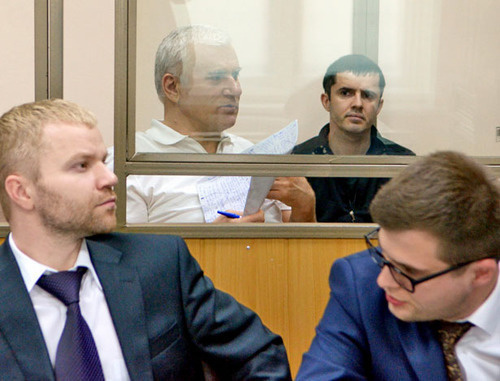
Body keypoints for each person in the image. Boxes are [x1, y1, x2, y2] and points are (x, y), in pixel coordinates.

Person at [0, 99, 292, 380]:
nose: (110, 178)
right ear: (22, 192)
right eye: (82, 166)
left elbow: (262, 355)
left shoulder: (159, 265)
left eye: (103, 161)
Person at [296, 151, 500, 380]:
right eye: (383, 254)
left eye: (407, 271)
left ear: (481, 274)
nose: (383, 280)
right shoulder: (361, 286)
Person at [109, 24, 315, 223]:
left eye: (235, 76)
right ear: (172, 87)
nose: (235, 89)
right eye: (216, 78)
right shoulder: (129, 161)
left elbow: (298, 251)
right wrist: (216, 241)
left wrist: (305, 207)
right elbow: (124, 256)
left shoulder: (254, 154)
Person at [293, 54, 414, 222]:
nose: (357, 103)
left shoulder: (402, 164)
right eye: (346, 93)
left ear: (379, 106)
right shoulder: (297, 161)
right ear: (326, 101)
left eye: (367, 95)